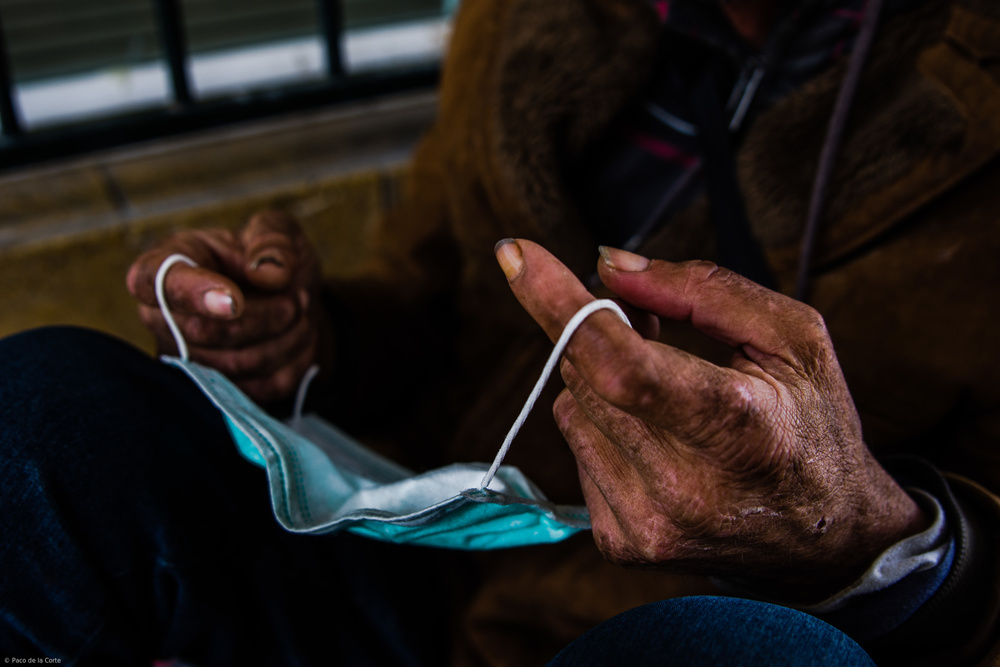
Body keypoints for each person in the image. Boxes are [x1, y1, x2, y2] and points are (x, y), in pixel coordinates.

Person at [2, 0, 999, 664]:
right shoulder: (526, 18)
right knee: (43, 411)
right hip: (404, 551)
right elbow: (431, 286)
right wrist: (306, 339)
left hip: (628, 629)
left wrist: (865, 543)